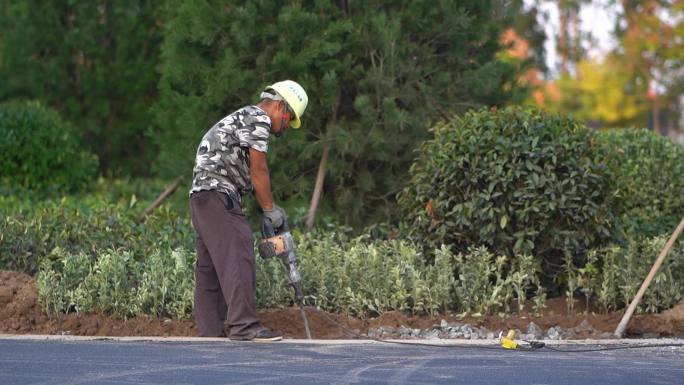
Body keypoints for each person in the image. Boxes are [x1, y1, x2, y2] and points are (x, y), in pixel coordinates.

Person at [188, 80, 308, 341]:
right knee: (238, 252)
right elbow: (259, 169)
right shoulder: (258, 118)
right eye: (288, 119)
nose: (285, 127)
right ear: (279, 106)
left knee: (209, 266)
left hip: (201, 196)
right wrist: (270, 210)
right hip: (219, 194)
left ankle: (211, 332)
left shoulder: (242, 117)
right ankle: (244, 326)